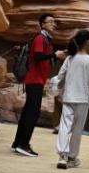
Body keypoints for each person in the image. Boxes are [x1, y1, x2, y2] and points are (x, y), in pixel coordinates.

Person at [11, 13, 65, 157]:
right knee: (32, 113)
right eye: (50, 22)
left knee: (28, 111)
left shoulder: (47, 40)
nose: (53, 24)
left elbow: (45, 59)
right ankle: (24, 145)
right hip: (34, 80)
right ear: (42, 24)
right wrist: (54, 55)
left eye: (54, 22)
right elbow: (38, 56)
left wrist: (56, 57)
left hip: (37, 80)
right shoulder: (41, 38)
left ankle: (17, 143)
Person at [55, 29, 89, 169]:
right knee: (77, 128)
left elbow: (60, 76)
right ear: (88, 42)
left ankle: (62, 156)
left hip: (69, 97)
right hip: (83, 99)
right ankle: (72, 157)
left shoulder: (70, 59)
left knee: (65, 126)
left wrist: (59, 89)